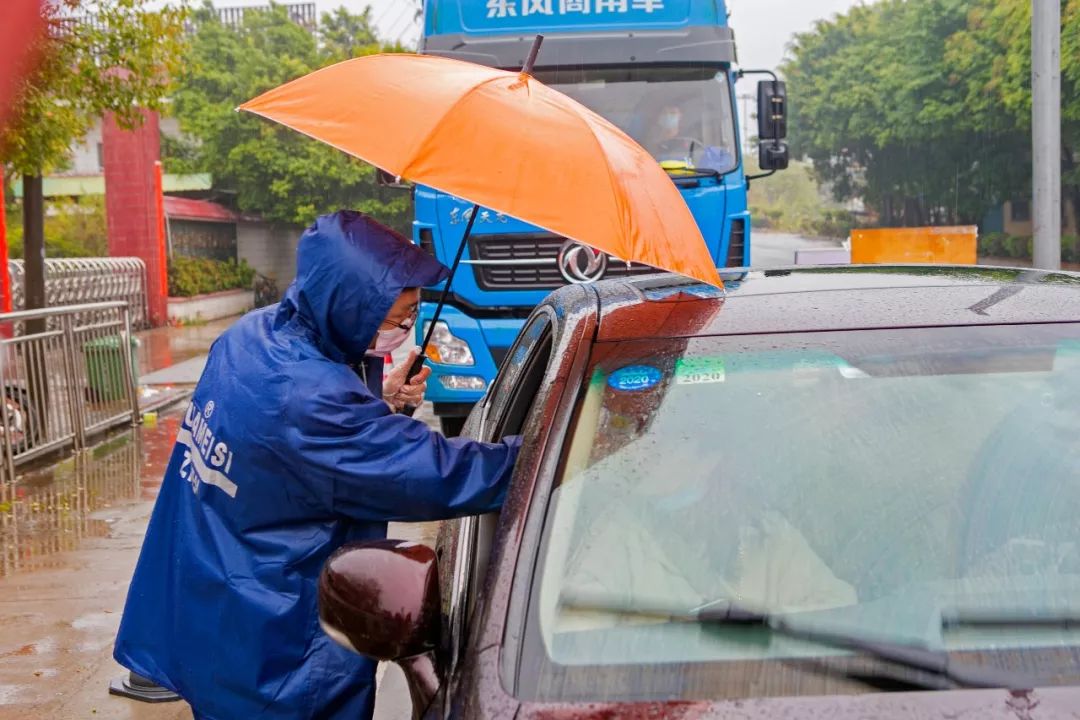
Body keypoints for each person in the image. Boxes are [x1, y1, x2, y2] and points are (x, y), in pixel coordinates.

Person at [113, 211, 522, 720]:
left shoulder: (253, 337)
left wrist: (382, 403)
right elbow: (435, 472)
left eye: (414, 316)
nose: (406, 329)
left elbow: (291, 456)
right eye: (397, 319)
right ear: (349, 306)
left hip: (216, 606)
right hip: (278, 644)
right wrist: (543, 452)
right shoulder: (311, 401)